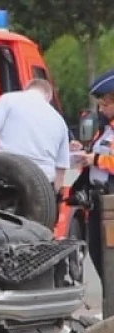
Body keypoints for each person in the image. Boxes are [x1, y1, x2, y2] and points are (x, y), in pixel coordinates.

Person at [0, 78, 71, 196]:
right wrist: (52, 199)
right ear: (49, 97)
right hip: (42, 189)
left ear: (25, 89)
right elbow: (60, 171)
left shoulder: (9, 100)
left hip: (6, 178)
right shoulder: (60, 121)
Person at [70, 68, 114, 284]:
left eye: (107, 104)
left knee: (109, 258)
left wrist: (95, 159)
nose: (102, 109)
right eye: (101, 104)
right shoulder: (106, 129)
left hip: (111, 201)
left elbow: (106, 159)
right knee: (98, 254)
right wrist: (83, 150)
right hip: (99, 201)